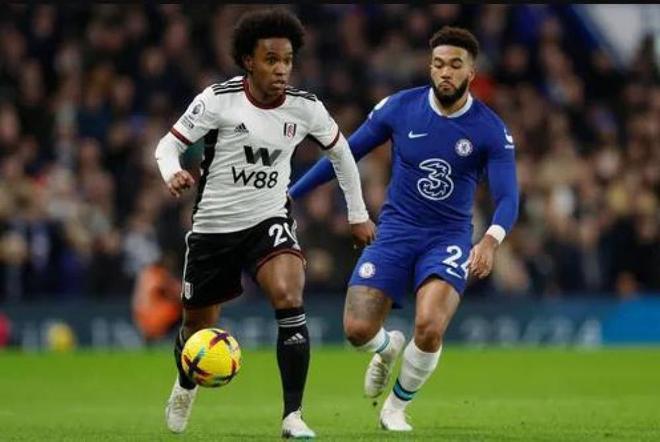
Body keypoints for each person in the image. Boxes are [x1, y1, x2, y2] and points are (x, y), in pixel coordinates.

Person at [154, 9, 376, 439]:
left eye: (287, 60)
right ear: (248, 61)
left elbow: (342, 153)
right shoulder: (218, 100)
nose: (281, 69)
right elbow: (167, 146)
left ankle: (293, 416)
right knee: (196, 328)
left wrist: (357, 213)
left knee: (290, 297)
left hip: (268, 220)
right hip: (214, 229)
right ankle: (185, 385)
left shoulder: (306, 108)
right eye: (271, 59)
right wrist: (172, 172)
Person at [289, 26, 519, 432]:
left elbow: (508, 197)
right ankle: (386, 346)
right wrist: (291, 194)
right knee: (357, 330)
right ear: (430, 67)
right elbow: (344, 155)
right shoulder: (400, 108)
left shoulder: (490, 130)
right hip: (395, 232)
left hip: (447, 237)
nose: (445, 72)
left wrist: (490, 240)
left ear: (471, 72)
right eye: (438, 64)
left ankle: (395, 407)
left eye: (455, 65)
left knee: (429, 326)